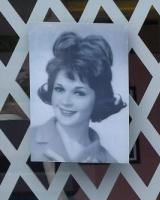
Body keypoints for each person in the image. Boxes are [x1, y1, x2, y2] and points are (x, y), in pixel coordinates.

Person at [32, 31, 126, 163]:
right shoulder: (26, 141)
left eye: (79, 93)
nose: (65, 101)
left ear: (98, 98)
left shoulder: (108, 161)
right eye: (59, 89)